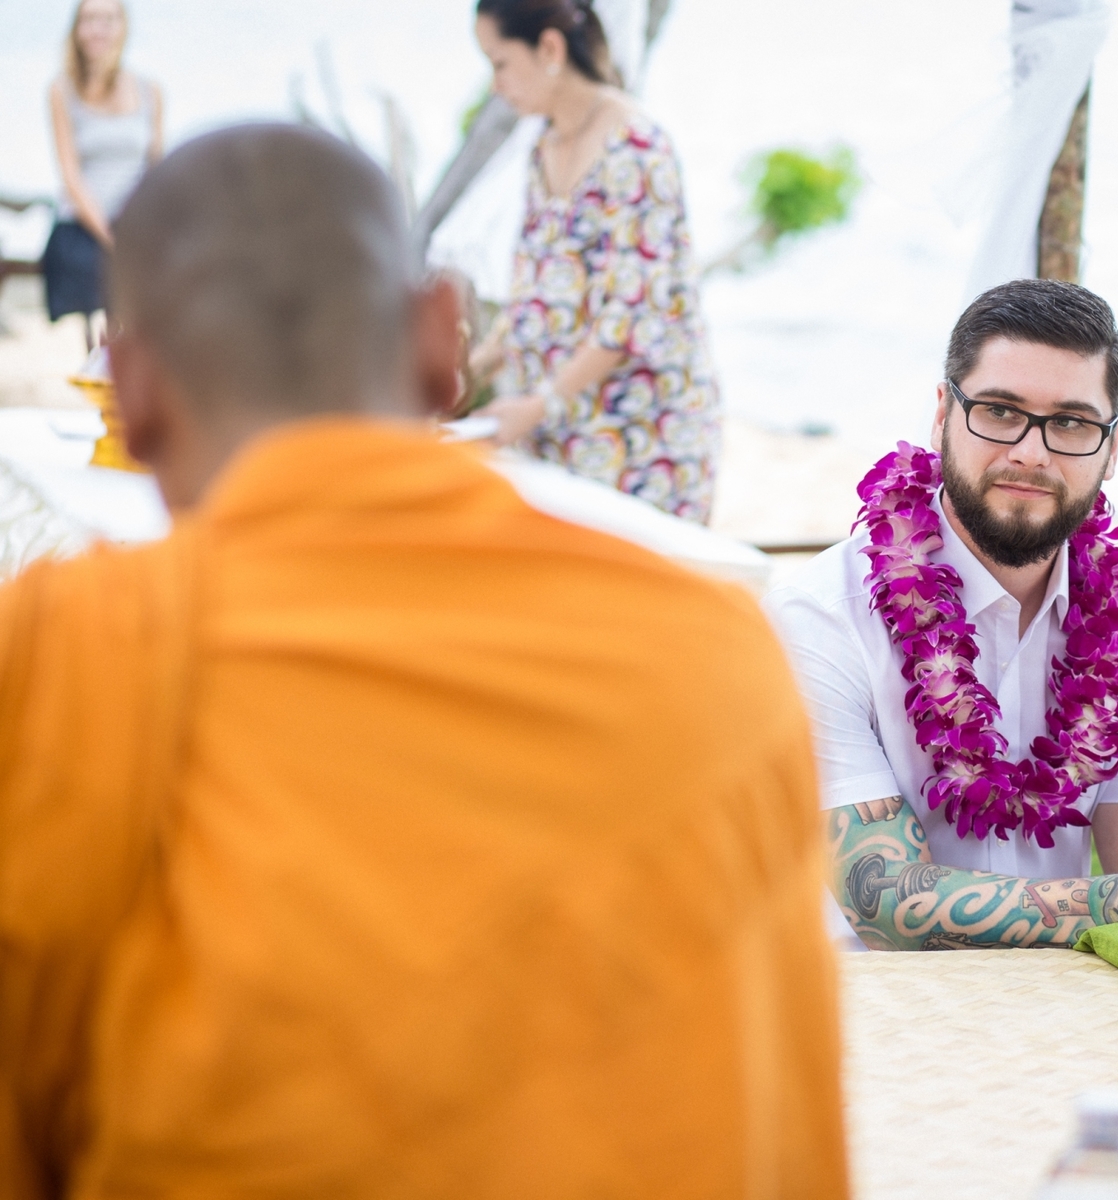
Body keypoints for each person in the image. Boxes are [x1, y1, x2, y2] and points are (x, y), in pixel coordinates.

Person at [0, 124, 845, 1197]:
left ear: (132, 392)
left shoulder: (67, 655)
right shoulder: (718, 659)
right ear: (444, 343)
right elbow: (787, 1135)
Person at [765, 279, 1118, 952]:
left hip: (1061, 1009)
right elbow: (881, 896)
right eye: (998, 411)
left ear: (1114, 445)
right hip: (863, 1010)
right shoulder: (818, 618)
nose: (1030, 452)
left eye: (1072, 423)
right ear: (942, 414)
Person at [470, 0, 721, 523]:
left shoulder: (636, 147)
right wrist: (477, 366)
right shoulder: (545, 144)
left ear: (550, 48)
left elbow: (631, 314)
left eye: (499, 62)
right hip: (558, 429)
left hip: (638, 433)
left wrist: (537, 405)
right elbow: (535, 287)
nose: (497, 84)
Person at [44, 0, 162, 352]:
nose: (98, 29)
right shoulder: (61, 90)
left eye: (107, 20)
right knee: (101, 307)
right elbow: (70, 175)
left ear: (122, 26)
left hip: (135, 225)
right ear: (77, 29)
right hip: (82, 228)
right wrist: (110, 236)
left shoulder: (149, 91)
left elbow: (156, 169)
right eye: (89, 20)